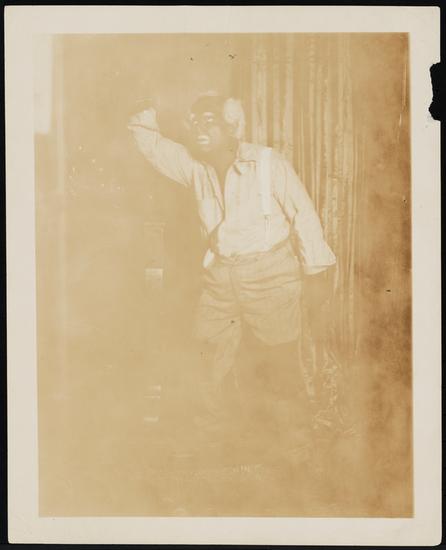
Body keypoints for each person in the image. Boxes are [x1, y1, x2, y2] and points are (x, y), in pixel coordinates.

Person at [128, 93, 336, 447]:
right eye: (195, 122)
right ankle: (209, 436)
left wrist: (316, 273)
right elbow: (153, 147)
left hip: (271, 274)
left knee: (280, 359)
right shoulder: (195, 168)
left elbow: (304, 215)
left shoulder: (267, 163)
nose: (199, 128)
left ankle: (295, 444)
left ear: (232, 126)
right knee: (205, 354)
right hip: (221, 276)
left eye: (209, 120)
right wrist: (146, 109)